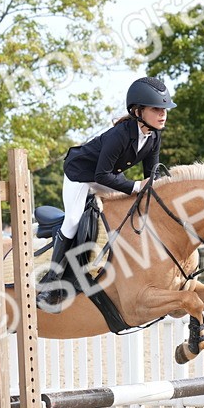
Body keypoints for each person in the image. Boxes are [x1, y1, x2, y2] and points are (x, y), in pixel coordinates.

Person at [35, 76, 176, 310]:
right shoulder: (119, 134)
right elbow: (101, 176)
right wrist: (135, 186)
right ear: (138, 111)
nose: (163, 114)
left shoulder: (154, 136)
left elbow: (151, 174)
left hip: (107, 177)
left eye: (165, 110)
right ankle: (51, 281)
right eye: (156, 109)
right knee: (71, 220)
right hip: (81, 176)